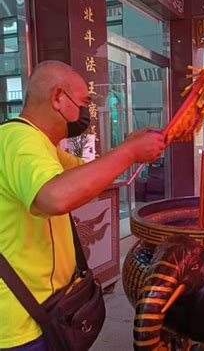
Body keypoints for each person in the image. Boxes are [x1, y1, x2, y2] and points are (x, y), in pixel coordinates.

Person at [0, 61, 166, 350]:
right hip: (21, 323)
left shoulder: (43, 145)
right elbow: (55, 197)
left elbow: (86, 178)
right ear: (57, 98)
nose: (85, 113)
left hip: (46, 309)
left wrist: (128, 148)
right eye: (84, 103)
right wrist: (129, 152)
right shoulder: (18, 139)